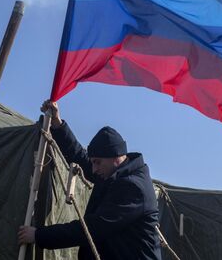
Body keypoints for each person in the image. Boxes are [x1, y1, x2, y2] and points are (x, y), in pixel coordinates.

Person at [18, 100, 162, 260]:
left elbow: (93, 228)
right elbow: (81, 157)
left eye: (97, 162)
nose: (93, 169)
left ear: (115, 157)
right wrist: (58, 125)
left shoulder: (133, 187)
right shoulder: (115, 173)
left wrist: (39, 236)